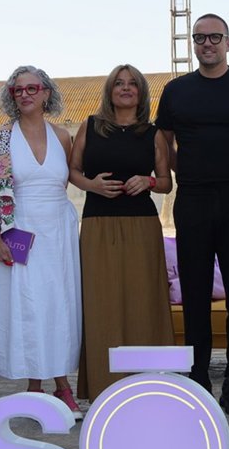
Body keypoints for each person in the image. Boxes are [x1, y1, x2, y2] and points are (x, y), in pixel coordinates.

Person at [155, 13, 229, 415]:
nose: (207, 44)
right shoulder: (176, 91)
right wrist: (180, 169)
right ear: (194, 43)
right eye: (200, 38)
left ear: (228, 42)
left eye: (214, 37)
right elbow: (163, 138)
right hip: (193, 200)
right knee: (195, 292)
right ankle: (198, 375)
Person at [0, 66, 82, 415]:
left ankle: (62, 386)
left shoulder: (63, 136)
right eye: (17, 90)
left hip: (59, 232)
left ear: (46, 93)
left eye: (32, 88)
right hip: (19, 231)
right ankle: (36, 388)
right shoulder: (0, 139)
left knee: (59, 307)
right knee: (28, 308)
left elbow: (65, 182)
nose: (25, 94)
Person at [69, 64, 174, 401]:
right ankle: (103, 386)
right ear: (109, 91)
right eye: (119, 83)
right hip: (98, 225)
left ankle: (149, 385)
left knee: (145, 302)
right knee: (101, 303)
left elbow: (167, 182)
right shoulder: (90, 126)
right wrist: (92, 185)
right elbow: (72, 171)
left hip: (141, 227)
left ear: (141, 92)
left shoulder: (153, 134)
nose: (126, 88)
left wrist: (149, 181)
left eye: (132, 84)